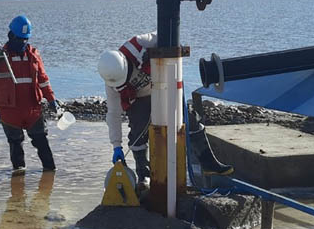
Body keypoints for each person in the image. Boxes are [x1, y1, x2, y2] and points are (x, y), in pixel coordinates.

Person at [97, 32, 232, 187]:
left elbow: (168, 33)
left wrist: (174, 48)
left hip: (163, 86)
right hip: (139, 99)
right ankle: (143, 175)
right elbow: (113, 114)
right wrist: (116, 146)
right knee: (137, 132)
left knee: (189, 119)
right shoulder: (111, 84)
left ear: (126, 64)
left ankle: (209, 164)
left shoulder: (141, 44)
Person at [0, 15, 57, 174]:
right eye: (20, 39)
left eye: (25, 39)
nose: (22, 42)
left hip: (32, 109)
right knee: (15, 144)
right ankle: (18, 183)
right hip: (9, 111)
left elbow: (43, 80)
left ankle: (50, 175)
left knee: (41, 141)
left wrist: (51, 99)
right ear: (11, 36)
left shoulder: (34, 55)